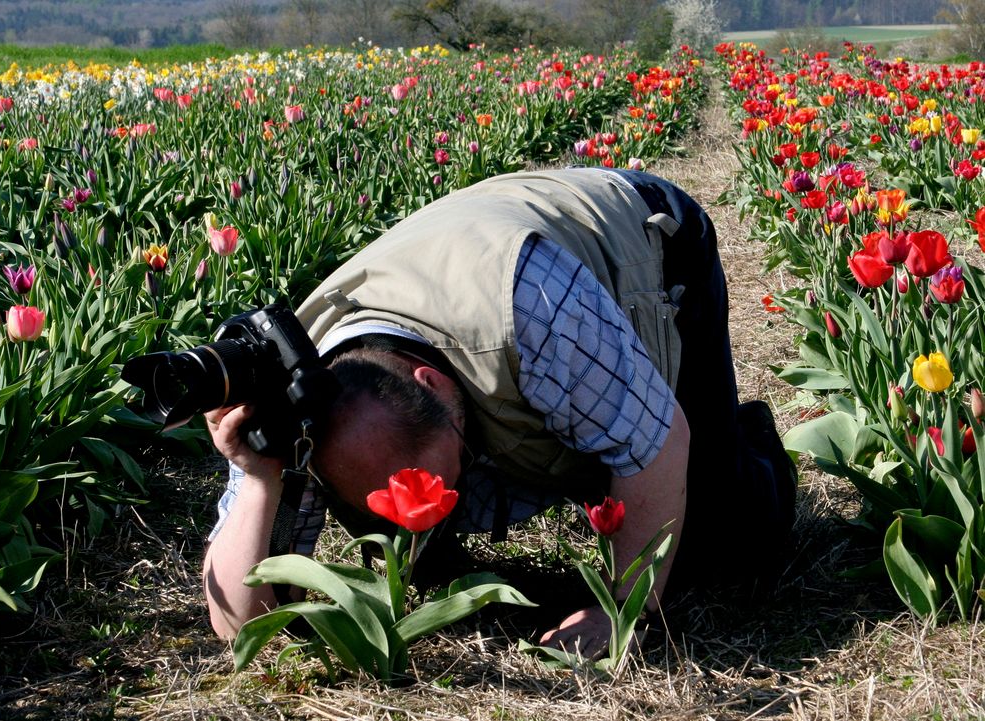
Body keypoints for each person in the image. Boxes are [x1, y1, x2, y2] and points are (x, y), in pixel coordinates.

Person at [202, 167, 797, 654]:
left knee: (718, 544)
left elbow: (657, 443)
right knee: (426, 551)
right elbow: (237, 626)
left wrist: (618, 612)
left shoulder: (533, 310)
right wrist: (259, 477)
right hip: (477, 252)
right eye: (380, 503)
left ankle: (743, 439)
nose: (418, 514)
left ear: (432, 385)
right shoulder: (294, 389)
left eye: (432, 482)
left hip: (640, 238)